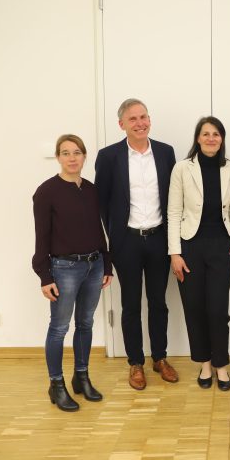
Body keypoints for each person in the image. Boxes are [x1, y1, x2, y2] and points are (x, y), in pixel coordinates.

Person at [94, 98, 178, 390]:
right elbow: (101, 203)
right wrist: (114, 237)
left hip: (158, 239)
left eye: (144, 117)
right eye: (133, 119)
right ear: (122, 125)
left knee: (159, 303)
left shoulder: (166, 153)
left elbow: (173, 197)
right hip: (127, 242)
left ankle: (160, 358)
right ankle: (136, 363)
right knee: (130, 305)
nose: (141, 123)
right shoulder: (108, 157)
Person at [32, 134, 114, 412]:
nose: (72, 158)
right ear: (58, 157)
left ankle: (82, 376)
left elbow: (98, 229)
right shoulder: (46, 192)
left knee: (86, 324)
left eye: (77, 152)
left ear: (84, 156)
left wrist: (107, 262)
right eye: (65, 153)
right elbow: (41, 237)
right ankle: (56, 384)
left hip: (94, 266)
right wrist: (45, 275)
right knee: (59, 328)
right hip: (63, 268)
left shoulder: (91, 190)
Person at [168, 116, 230, 391]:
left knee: (217, 309)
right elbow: (174, 212)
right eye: (206, 134)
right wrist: (174, 253)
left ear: (221, 138)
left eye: (216, 134)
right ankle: (204, 364)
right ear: (198, 138)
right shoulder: (182, 169)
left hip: (222, 247)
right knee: (194, 308)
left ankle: (221, 366)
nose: (211, 138)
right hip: (189, 246)